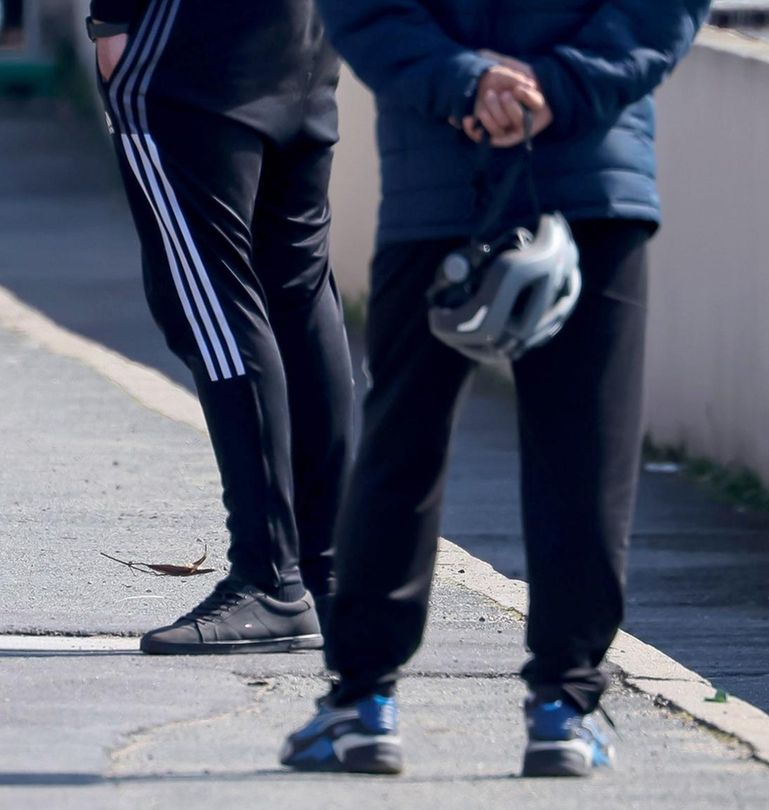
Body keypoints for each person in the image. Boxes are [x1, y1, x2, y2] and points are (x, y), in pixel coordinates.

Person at [280, 0, 709, 778]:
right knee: (585, 455)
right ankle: (563, 710)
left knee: (401, 447)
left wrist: (468, 84)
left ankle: (363, 703)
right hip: (591, 174)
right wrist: (558, 88)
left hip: (442, 181)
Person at [89, 0, 354, 653]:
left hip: (189, 42)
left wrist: (113, 18)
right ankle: (327, 573)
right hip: (306, 39)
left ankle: (269, 579)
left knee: (209, 304)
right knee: (296, 292)